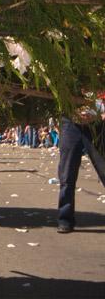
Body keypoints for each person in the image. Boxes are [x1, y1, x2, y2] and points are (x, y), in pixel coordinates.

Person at [57, 96, 105, 233]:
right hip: (71, 123)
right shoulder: (67, 77)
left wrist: (101, 114)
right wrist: (73, 112)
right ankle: (65, 219)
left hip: (97, 124)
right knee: (67, 174)